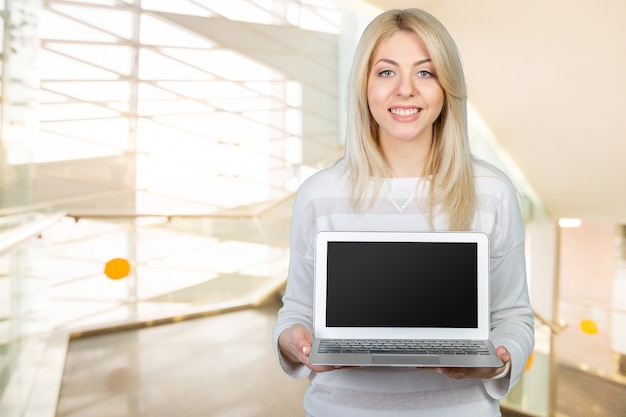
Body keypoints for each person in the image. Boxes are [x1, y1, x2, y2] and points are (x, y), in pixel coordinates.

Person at [272, 8, 534, 417]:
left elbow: (513, 316)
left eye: (425, 73)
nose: (406, 90)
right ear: (364, 85)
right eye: (386, 72)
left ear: (447, 86)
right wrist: (297, 342)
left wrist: (498, 359)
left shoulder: (492, 192)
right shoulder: (319, 194)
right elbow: (297, 311)